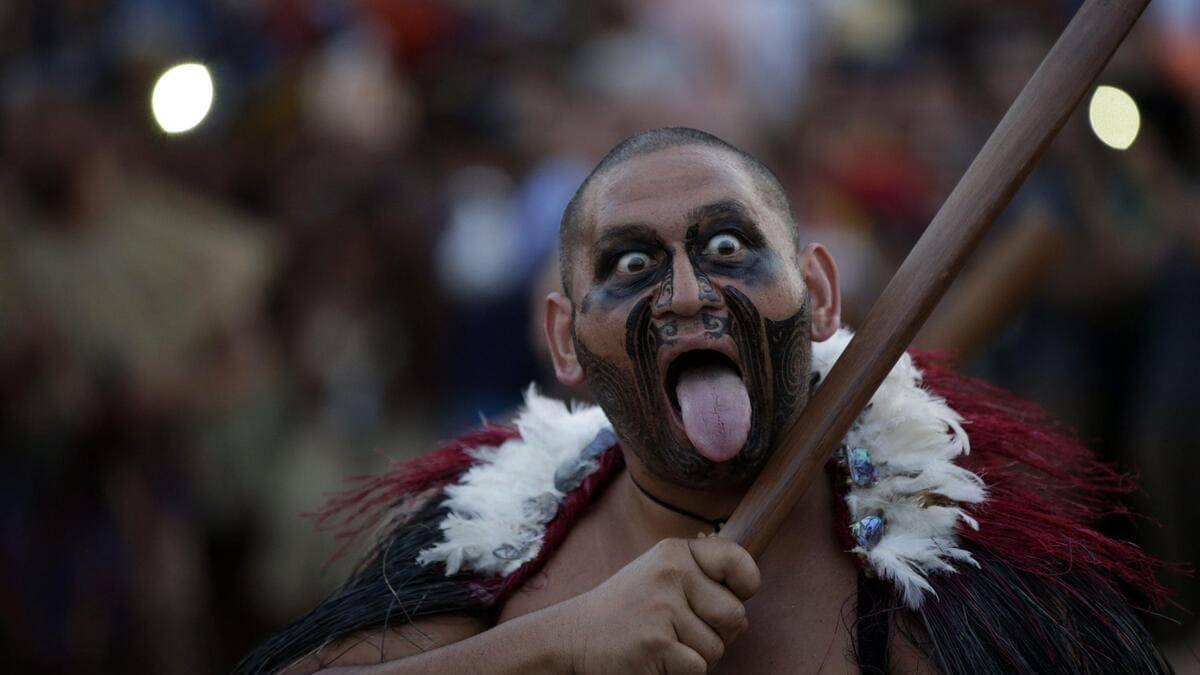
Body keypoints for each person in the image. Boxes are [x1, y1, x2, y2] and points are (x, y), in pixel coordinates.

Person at [238, 128, 1170, 674]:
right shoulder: (506, 561)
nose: (687, 294)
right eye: (633, 265)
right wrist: (560, 642)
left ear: (819, 295)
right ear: (565, 339)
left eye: (729, 249)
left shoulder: (945, 584)